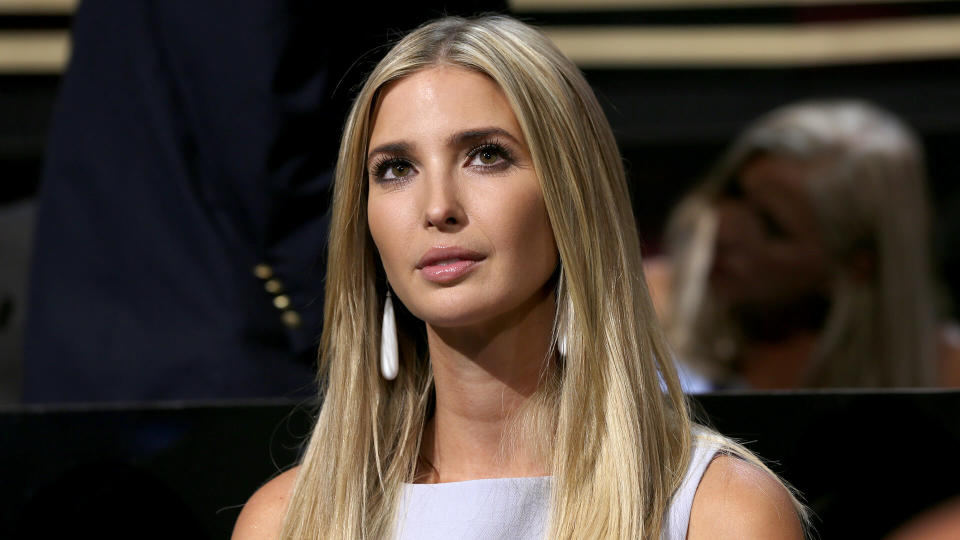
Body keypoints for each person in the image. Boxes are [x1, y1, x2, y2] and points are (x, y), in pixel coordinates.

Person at [233, 15, 807, 539]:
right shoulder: (286, 522)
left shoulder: (716, 510)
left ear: (571, 196)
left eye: (486, 155)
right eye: (396, 169)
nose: (438, 207)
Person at [659, 100, 960, 389]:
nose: (724, 231)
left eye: (771, 226)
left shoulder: (945, 372)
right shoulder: (644, 309)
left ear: (857, 265)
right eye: (734, 192)